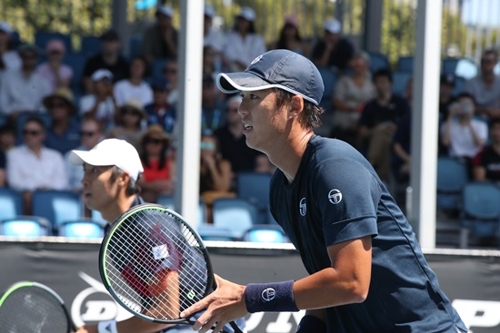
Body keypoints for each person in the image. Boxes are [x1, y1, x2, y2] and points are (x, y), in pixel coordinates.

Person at [180, 49, 467, 333]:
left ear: (294, 106)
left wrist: (249, 298)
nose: (242, 108)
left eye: (254, 96)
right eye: (242, 97)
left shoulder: (335, 165)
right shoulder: (280, 189)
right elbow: (326, 288)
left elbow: (351, 282)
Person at [70, 138, 243, 333]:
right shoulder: (114, 232)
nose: (84, 179)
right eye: (85, 170)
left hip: (204, 326)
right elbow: (154, 304)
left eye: (95, 171)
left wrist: (101, 329)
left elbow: (167, 311)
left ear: (123, 179)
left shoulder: (150, 227)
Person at [357, 68, 410, 183]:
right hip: (376, 141)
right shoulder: (370, 106)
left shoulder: (401, 103)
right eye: (378, 82)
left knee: (386, 136)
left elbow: (407, 127)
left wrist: (395, 128)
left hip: (397, 142)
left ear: (390, 83)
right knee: (383, 137)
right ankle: (384, 178)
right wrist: (376, 130)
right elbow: (362, 132)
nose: (381, 85)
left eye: (383, 82)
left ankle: (371, 163)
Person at [7, 116, 68, 214]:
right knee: (28, 197)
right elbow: (15, 181)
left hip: (52, 195)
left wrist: (45, 189)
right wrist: (37, 188)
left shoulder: (55, 155)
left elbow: (62, 182)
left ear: (42, 135)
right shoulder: (14, 154)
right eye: (25, 132)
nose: (28, 135)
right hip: (27, 198)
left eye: (33, 133)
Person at [330, 51, 376, 145]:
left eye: (361, 62)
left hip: (364, 117)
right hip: (345, 114)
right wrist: (353, 108)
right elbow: (336, 101)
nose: (358, 65)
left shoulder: (371, 85)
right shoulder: (344, 81)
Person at [440, 92, 488, 176]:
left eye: (467, 105)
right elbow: (445, 142)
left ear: (473, 107)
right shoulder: (447, 124)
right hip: (454, 161)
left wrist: (469, 121)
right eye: (461, 105)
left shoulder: (481, 125)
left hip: (474, 162)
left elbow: (480, 143)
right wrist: (450, 115)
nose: (464, 108)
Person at [0, 43, 51, 116]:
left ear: (36, 59)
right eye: (25, 57)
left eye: (32, 57)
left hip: (35, 117)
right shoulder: (8, 77)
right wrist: (11, 112)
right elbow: (2, 102)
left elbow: (45, 105)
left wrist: (35, 113)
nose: (28, 60)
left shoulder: (43, 82)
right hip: (13, 116)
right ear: (21, 58)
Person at [199, 131, 234, 224]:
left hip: (218, 204)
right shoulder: (193, 165)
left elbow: (223, 189)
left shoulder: (224, 164)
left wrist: (212, 167)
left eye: (210, 146)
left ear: (216, 149)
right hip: (199, 204)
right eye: (202, 145)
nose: (206, 149)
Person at [82, 29, 129, 94]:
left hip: (118, 100)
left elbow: (127, 88)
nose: (107, 44)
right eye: (104, 40)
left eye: (111, 41)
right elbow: (87, 85)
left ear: (118, 44)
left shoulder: (124, 65)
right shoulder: (92, 62)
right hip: (95, 98)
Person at [137, 124, 175, 203]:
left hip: (167, 200)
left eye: (156, 141)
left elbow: (173, 183)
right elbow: (139, 184)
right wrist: (155, 186)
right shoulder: (138, 162)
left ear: (163, 145)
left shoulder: (170, 162)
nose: (152, 145)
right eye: (149, 141)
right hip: (145, 202)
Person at [222, 6, 266, 72]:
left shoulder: (258, 39)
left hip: (253, 73)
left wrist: (249, 67)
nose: (242, 23)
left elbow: (262, 57)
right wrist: (241, 65)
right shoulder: (230, 37)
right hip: (234, 73)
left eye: (245, 21)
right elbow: (229, 56)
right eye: (241, 20)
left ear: (250, 23)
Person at [43, 87, 81, 155]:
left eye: (60, 105)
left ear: (69, 108)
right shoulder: (44, 132)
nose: (55, 109)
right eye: (52, 106)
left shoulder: (79, 130)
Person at [464, 49, 500, 119]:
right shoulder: (471, 82)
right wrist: (486, 111)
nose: (485, 65)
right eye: (482, 62)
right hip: (475, 119)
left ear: (495, 63)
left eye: (489, 62)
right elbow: (465, 106)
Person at [473, 117, 500, 182]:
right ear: (491, 131)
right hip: (489, 190)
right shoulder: (482, 154)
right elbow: (480, 180)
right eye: (496, 128)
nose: (498, 132)